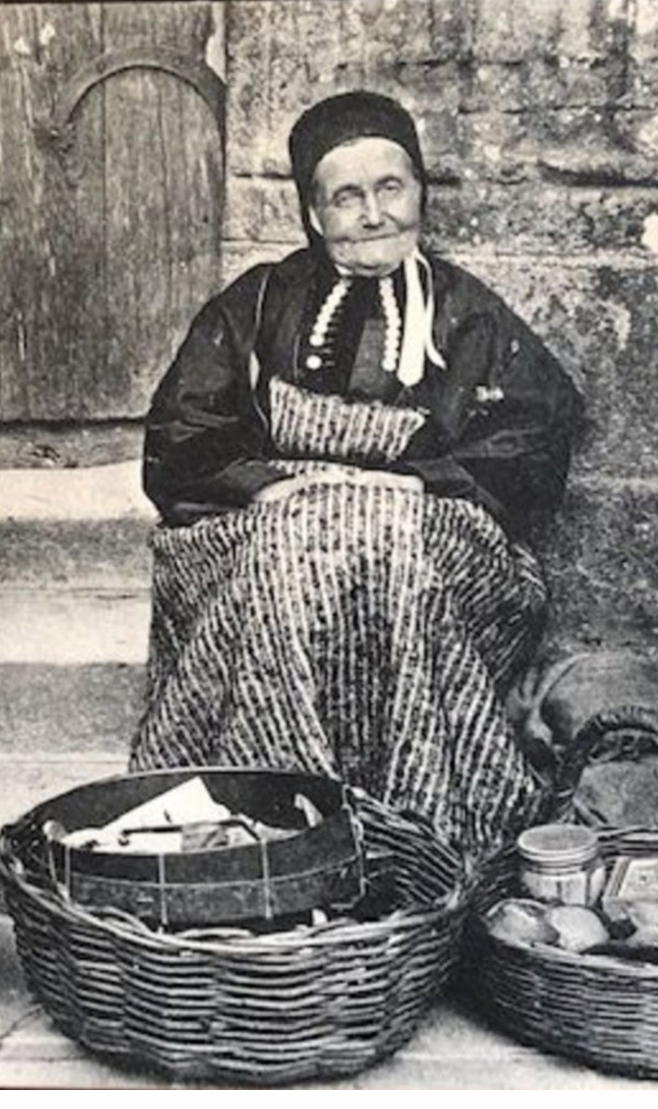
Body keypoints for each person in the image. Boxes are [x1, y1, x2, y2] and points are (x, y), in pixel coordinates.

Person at [133, 91, 585, 859]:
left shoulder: (466, 312)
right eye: (346, 197)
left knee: (388, 555)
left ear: (418, 196)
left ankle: (412, 825)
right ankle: (279, 815)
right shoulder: (257, 300)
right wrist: (270, 488)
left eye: (390, 188)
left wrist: (418, 484)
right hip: (270, 514)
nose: (373, 214)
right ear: (313, 215)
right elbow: (181, 435)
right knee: (288, 552)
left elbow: (537, 428)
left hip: (425, 517)